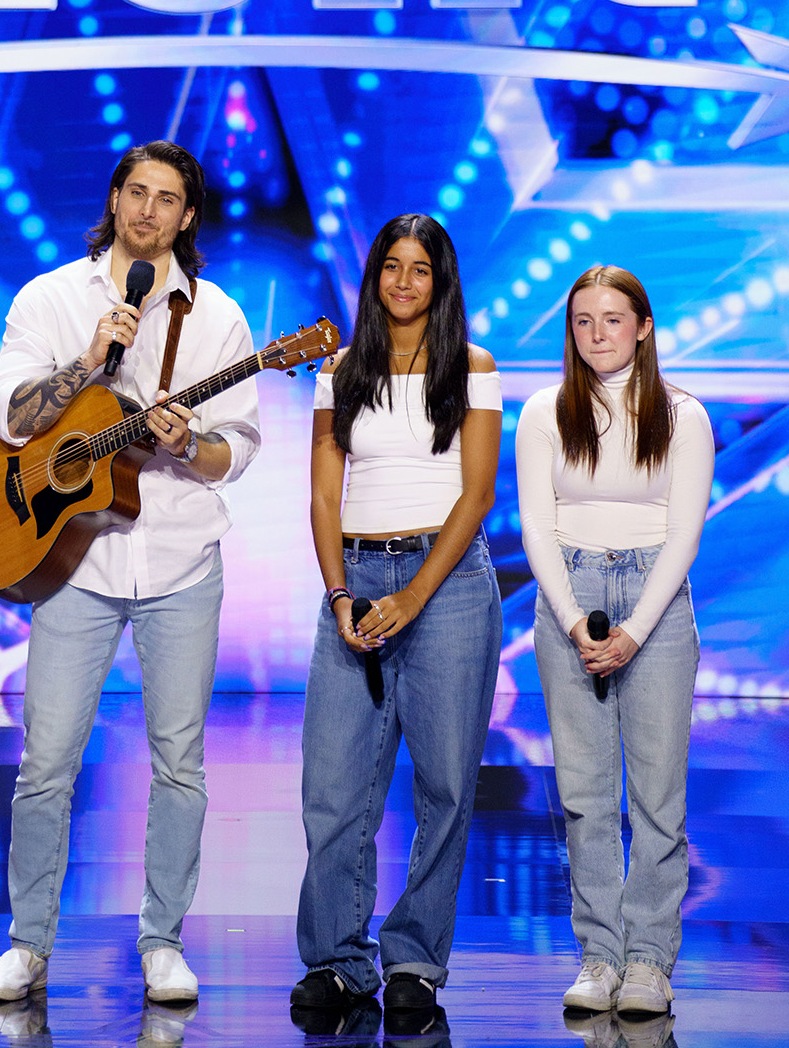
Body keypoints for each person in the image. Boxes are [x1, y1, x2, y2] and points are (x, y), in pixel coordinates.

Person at [0, 141, 261, 1003]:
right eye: (135, 191)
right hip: (75, 564)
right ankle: (29, 944)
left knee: (179, 761)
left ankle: (163, 939)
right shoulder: (51, 297)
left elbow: (235, 449)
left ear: (188, 216)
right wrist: (88, 362)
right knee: (46, 760)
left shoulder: (220, 318)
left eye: (167, 198)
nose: (147, 210)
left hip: (179, 561)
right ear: (113, 199)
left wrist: (189, 442)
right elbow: (12, 419)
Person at [293, 214, 502, 1017]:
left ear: (441, 281)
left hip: (445, 584)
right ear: (374, 276)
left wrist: (412, 596)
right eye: (391, 266)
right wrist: (342, 592)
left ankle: (414, 957)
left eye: (421, 269)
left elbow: (477, 493)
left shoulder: (472, 368)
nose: (405, 282)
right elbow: (321, 490)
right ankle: (339, 958)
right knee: (336, 784)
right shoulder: (339, 370)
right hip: (356, 571)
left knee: (446, 783)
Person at [517, 266, 712, 1015]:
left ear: (644, 326)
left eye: (612, 319)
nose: (597, 334)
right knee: (584, 794)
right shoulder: (543, 410)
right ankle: (599, 954)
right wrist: (573, 620)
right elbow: (537, 523)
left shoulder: (682, 413)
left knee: (658, 793)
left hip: (654, 601)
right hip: (569, 596)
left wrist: (633, 630)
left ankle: (649, 962)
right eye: (582, 321)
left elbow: (685, 532)